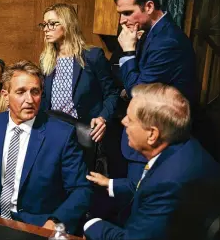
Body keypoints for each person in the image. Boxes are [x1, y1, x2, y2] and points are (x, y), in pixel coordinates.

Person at [0, 60, 92, 234]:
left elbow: (81, 190)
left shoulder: (61, 134)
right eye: (21, 92)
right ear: (5, 94)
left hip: (37, 226)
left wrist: (55, 221)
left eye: (35, 92)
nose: (29, 100)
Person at [84, 83, 220, 240]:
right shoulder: (184, 146)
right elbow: (147, 183)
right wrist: (110, 184)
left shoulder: (167, 184)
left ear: (152, 135)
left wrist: (92, 225)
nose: (124, 122)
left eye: (131, 119)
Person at [114, 0, 197, 182]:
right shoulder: (152, 32)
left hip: (157, 141)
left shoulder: (168, 41)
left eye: (127, 13)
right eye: (120, 14)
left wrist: (128, 51)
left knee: (141, 200)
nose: (122, 21)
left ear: (149, 6)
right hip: (147, 139)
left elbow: (139, 91)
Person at [39, 3, 119, 143]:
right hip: (53, 132)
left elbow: (112, 93)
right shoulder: (45, 60)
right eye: (44, 25)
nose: (46, 29)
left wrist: (102, 118)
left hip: (83, 134)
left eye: (52, 24)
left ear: (67, 24)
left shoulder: (92, 56)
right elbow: (45, 99)